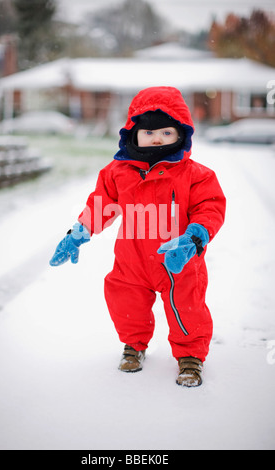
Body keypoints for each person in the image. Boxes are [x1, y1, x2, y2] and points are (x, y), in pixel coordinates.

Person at [50, 87, 226, 387]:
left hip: (179, 259)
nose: (157, 138)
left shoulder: (196, 175)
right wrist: (79, 232)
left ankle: (190, 357)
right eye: (148, 131)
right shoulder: (119, 171)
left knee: (188, 307)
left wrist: (195, 237)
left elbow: (209, 207)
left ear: (181, 134)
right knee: (124, 301)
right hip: (132, 259)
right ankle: (134, 345)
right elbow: (101, 203)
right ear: (133, 134)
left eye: (166, 132)